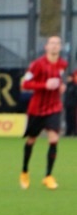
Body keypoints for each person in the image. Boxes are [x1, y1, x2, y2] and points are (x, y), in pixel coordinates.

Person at [19, 35, 68, 190]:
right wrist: (44, 85)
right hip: (37, 109)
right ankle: (25, 171)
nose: (54, 46)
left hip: (54, 107)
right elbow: (25, 84)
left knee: (54, 139)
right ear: (46, 47)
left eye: (57, 43)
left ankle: (48, 176)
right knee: (31, 140)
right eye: (51, 43)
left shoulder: (62, 64)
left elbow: (59, 80)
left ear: (60, 47)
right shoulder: (37, 65)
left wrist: (61, 86)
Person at [63, 70, 77, 137]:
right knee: (67, 118)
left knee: (73, 119)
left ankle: (75, 131)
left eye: (69, 77)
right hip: (68, 105)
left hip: (73, 105)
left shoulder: (74, 86)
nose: (68, 79)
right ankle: (68, 131)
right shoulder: (67, 86)